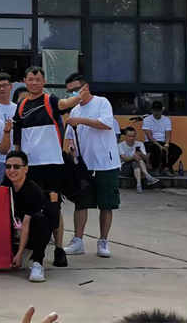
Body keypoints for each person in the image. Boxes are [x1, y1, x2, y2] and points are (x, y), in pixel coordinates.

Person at [13, 66, 80, 268]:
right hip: (30, 168)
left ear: (43, 81)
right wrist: (18, 165)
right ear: (25, 81)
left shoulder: (50, 100)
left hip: (52, 166)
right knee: (32, 209)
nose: (34, 83)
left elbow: (65, 103)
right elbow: (18, 141)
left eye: (38, 79)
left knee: (54, 207)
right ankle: (34, 248)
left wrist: (79, 96)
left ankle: (59, 249)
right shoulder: (21, 106)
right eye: (30, 79)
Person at [62, 73, 121, 259]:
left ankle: (103, 241)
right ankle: (77, 241)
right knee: (81, 203)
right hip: (84, 165)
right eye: (70, 91)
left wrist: (81, 121)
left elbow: (106, 124)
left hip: (106, 163)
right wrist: (71, 148)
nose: (73, 94)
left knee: (106, 204)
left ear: (85, 87)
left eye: (76, 89)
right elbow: (69, 137)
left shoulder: (102, 103)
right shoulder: (74, 111)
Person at [4, 150, 58, 283]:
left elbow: (26, 224)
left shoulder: (33, 190)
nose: (11, 170)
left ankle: (37, 263)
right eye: (8, 166)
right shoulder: (5, 185)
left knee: (39, 219)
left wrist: (19, 253)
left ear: (26, 169)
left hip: (32, 230)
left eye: (16, 167)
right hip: (16, 231)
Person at [0, 72, 19, 182]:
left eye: (5, 85)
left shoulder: (17, 108)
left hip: (13, 159)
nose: (2, 89)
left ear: (10, 86)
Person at [141, 101, 183, 176]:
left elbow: (168, 133)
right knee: (156, 148)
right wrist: (159, 146)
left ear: (161, 110)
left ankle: (166, 168)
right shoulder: (147, 119)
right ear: (152, 110)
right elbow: (149, 137)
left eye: (158, 110)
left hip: (163, 141)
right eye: (155, 110)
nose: (156, 112)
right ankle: (155, 169)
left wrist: (166, 144)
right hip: (151, 142)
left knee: (177, 150)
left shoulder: (166, 119)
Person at [118, 127, 159, 193]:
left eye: (133, 136)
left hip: (138, 167)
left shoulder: (140, 144)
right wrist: (133, 157)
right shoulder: (120, 145)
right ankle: (147, 176)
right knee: (135, 161)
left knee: (136, 162)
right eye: (129, 136)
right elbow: (124, 159)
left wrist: (141, 154)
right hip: (125, 168)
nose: (131, 138)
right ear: (125, 136)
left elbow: (146, 158)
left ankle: (139, 184)